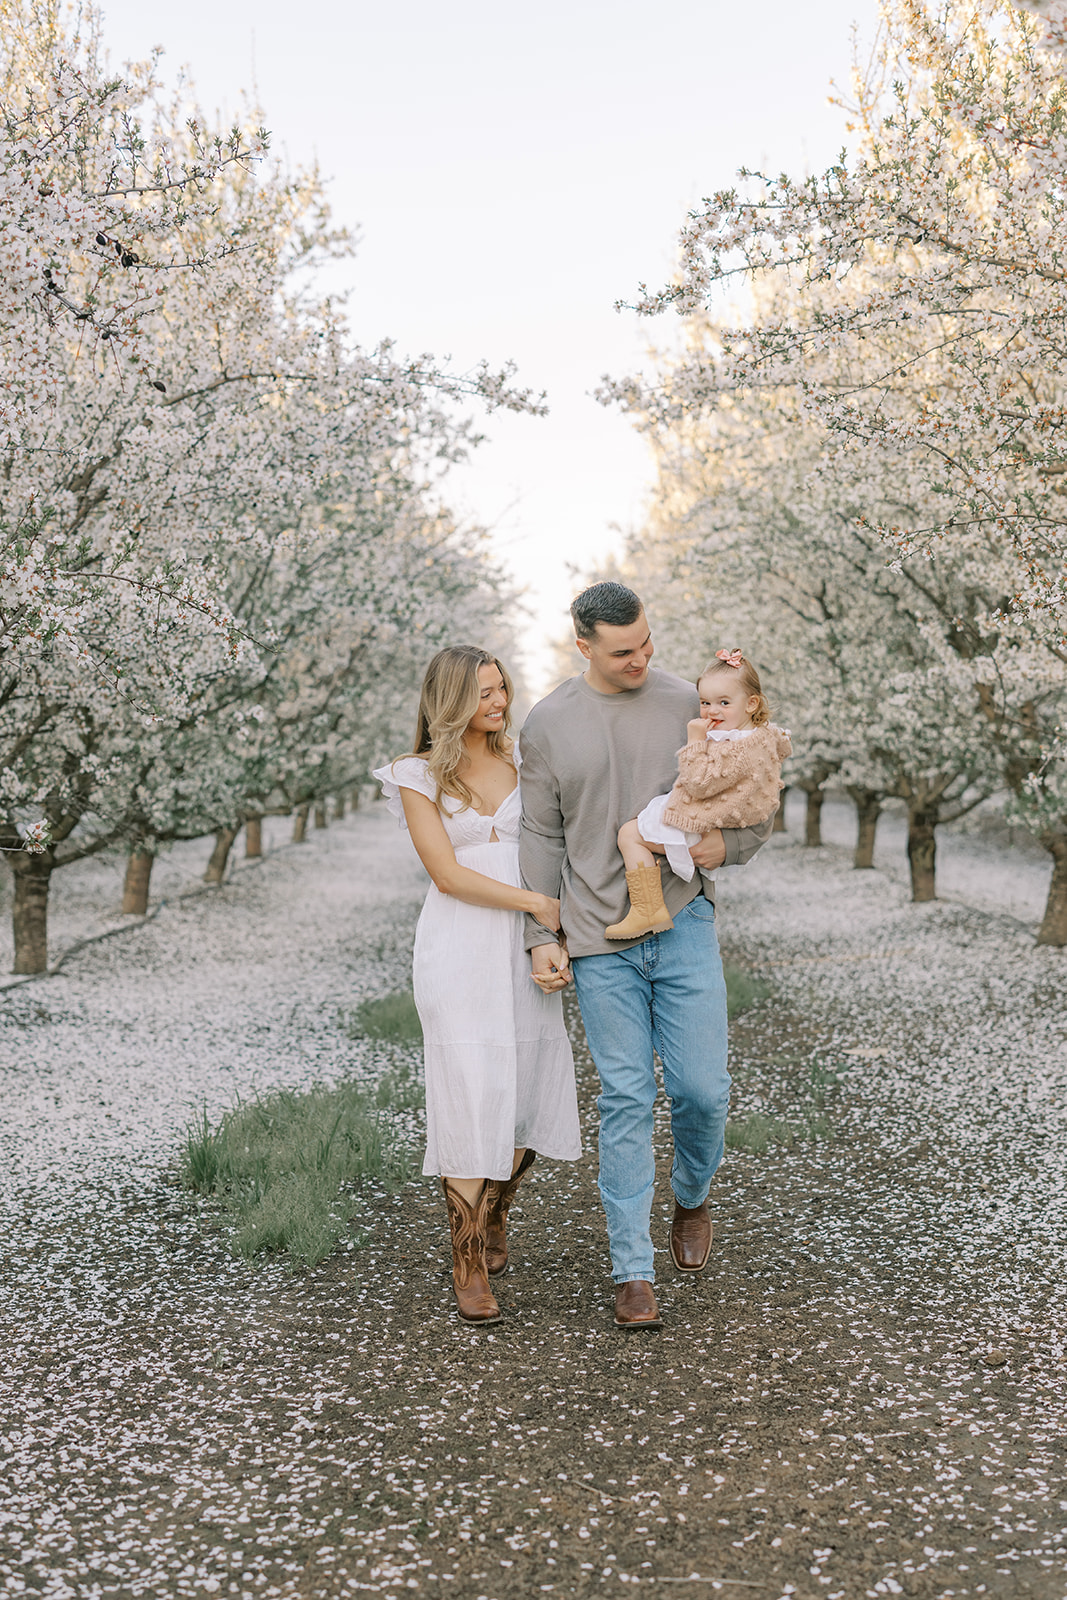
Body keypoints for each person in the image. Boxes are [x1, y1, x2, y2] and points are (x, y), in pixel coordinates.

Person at [518, 584, 773, 1330]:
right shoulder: (549, 723)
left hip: (684, 922)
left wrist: (726, 846)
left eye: (647, 643)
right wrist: (541, 933)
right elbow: (540, 835)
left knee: (702, 1092)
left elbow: (752, 788)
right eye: (622, 650)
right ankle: (631, 1270)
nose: (641, 659)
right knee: (625, 1097)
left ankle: (691, 1197)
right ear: (583, 646)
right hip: (600, 940)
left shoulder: (688, 702)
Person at [373, 645, 580, 1327]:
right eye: (485, 694)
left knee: (521, 1089)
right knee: (468, 1092)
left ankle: (494, 1211)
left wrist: (549, 930)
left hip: (523, 952)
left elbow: (555, 847)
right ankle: (466, 1259)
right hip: (459, 948)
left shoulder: (525, 758)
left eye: (502, 689)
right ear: (450, 700)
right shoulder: (416, 773)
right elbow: (447, 873)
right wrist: (534, 907)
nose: (499, 703)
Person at [605, 649, 792, 940]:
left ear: (751, 703)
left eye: (724, 703)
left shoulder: (737, 749)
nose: (711, 711)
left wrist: (695, 742)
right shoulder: (760, 738)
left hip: (700, 823)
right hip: (711, 820)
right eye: (705, 702)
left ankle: (647, 909)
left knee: (629, 834)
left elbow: (699, 784)